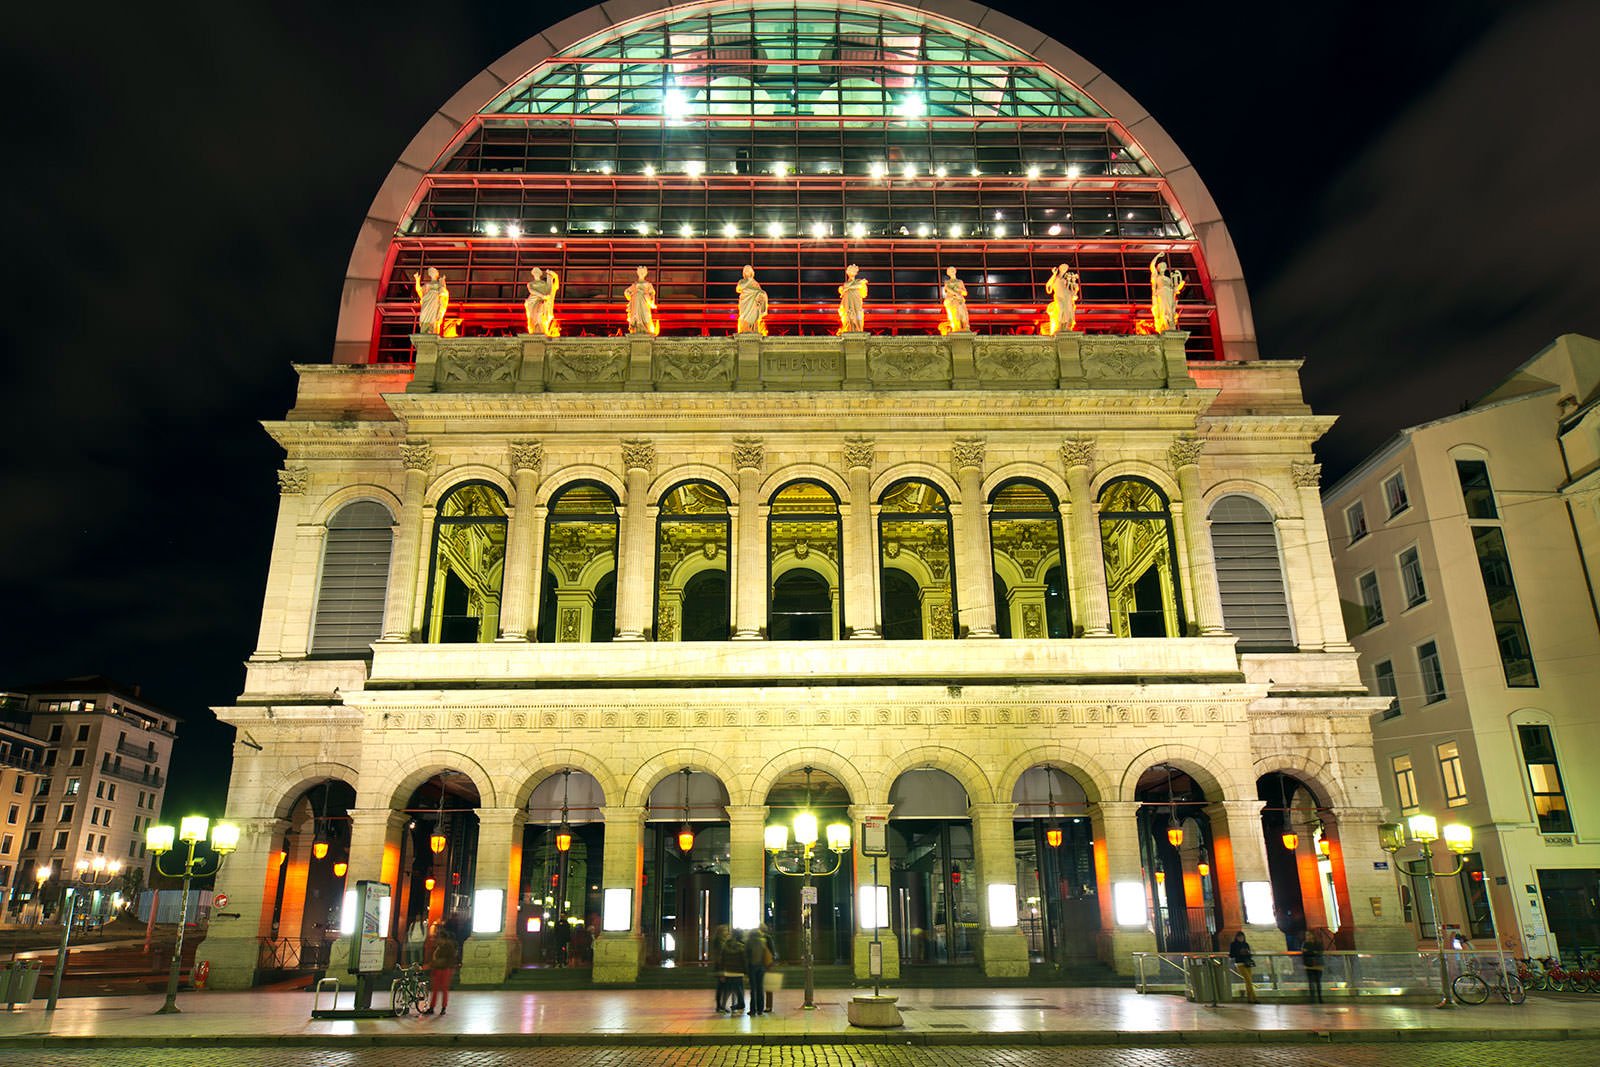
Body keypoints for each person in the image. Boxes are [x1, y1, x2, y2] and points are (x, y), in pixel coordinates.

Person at [424, 920, 458, 1016]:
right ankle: (432, 1007)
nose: (437, 940)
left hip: (445, 969)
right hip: (437, 970)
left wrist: (440, 962)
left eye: (438, 938)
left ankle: (443, 1007)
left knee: (444, 989)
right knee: (434, 989)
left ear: (443, 939)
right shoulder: (438, 947)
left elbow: (451, 959)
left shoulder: (449, 947)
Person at [745, 924, 776, 1016]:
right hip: (762, 966)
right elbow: (770, 952)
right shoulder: (763, 941)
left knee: (753, 989)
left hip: (752, 967)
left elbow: (746, 956)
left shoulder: (749, 941)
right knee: (760, 988)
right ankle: (760, 1009)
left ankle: (753, 1010)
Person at [1149, 254, 1185, 333]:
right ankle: (1164, 325)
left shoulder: (1168, 279)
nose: (1162, 268)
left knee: (1169, 311)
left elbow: (1174, 289)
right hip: (1161, 295)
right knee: (1163, 310)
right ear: (1158, 269)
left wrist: (1179, 285)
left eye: (1163, 267)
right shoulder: (1156, 277)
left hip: (1169, 295)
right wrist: (1158, 256)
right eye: (1160, 267)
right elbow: (1152, 266)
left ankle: (1170, 324)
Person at [713, 926, 745, 1013]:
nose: (727, 932)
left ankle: (722, 1005)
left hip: (726, 969)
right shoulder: (721, 942)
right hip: (726, 969)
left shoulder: (725, 944)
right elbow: (720, 957)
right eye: (725, 931)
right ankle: (721, 1006)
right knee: (725, 988)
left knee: (728, 988)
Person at [1044, 263, 1080, 335]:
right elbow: (1048, 285)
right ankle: (1059, 326)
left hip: (1066, 296)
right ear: (1060, 268)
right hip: (1058, 296)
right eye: (1063, 268)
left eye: (1066, 269)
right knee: (1060, 308)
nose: (1064, 270)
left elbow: (1069, 290)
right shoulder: (1055, 278)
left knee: (1068, 311)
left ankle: (1066, 327)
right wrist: (1054, 274)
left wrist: (1075, 291)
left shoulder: (1066, 280)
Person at [524, 267, 560, 336]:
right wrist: (541, 295)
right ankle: (536, 330)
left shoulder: (544, 284)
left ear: (540, 274)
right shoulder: (530, 284)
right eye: (535, 272)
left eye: (537, 272)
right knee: (534, 318)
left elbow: (554, 287)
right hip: (533, 301)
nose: (536, 274)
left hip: (543, 301)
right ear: (533, 274)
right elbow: (532, 291)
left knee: (541, 315)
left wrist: (554, 276)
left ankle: (542, 330)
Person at [414, 266, 449, 335]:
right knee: (424, 317)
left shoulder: (440, 284)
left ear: (437, 273)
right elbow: (419, 291)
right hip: (426, 304)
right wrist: (417, 281)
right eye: (431, 271)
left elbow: (443, 296)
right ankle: (424, 332)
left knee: (433, 319)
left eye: (433, 271)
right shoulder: (426, 285)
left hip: (434, 303)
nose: (432, 272)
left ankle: (432, 332)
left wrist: (441, 311)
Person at [736, 265, 769, 335]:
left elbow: (760, 292)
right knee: (743, 317)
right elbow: (738, 288)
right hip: (745, 302)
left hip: (753, 304)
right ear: (744, 273)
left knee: (754, 318)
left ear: (751, 272)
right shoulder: (742, 281)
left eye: (748, 270)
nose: (747, 272)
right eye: (745, 271)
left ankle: (753, 329)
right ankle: (744, 330)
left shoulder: (755, 283)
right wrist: (749, 281)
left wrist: (762, 294)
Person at [625, 265, 657, 335]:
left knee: (646, 316)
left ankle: (646, 328)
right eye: (640, 272)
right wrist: (631, 294)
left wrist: (650, 300)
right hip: (636, 302)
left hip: (644, 302)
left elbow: (652, 294)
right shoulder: (635, 284)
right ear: (638, 273)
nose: (642, 273)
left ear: (645, 273)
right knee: (636, 315)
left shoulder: (648, 284)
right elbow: (627, 292)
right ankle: (637, 328)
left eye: (643, 272)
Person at [1228, 930, 1258, 1004]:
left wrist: (1247, 953)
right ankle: (1254, 998)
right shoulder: (1233, 944)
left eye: (1242, 937)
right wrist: (1240, 953)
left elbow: (1250, 954)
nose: (1241, 938)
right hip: (1240, 963)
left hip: (1247, 963)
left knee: (1249, 981)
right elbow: (1231, 954)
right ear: (1236, 937)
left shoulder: (1246, 944)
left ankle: (1250, 998)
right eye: (1239, 937)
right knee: (1248, 980)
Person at [837, 264, 867, 334]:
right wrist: (850, 287)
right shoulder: (847, 283)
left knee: (858, 313)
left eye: (853, 271)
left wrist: (848, 288)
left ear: (856, 273)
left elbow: (860, 286)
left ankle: (858, 329)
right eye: (850, 271)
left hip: (856, 300)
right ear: (848, 273)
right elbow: (848, 287)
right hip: (847, 300)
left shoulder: (858, 281)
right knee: (848, 314)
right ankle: (849, 328)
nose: (852, 273)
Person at [1300, 928, 1326, 1003]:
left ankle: (1320, 998)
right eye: (1306, 935)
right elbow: (1305, 953)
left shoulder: (1317, 943)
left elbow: (1319, 952)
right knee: (1311, 983)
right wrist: (1313, 952)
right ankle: (1313, 999)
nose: (1307, 936)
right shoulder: (1305, 944)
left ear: (1313, 935)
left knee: (1318, 982)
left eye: (1309, 935)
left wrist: (1309, 952)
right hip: (1309, 965)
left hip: (1318, 965)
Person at [941, 266, 969, 333]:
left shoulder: (960, 281)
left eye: (953, 269)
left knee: (963, 315)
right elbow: (948, 289)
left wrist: (958, 290)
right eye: (950, 270)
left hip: (960, 301)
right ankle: (957, 329)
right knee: (955, 315)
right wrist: (956, 294)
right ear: (948, 273)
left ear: (955, 271)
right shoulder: (947, 282)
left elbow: (965, 293)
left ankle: (965, 328)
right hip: (952, 301)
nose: (952, 271)